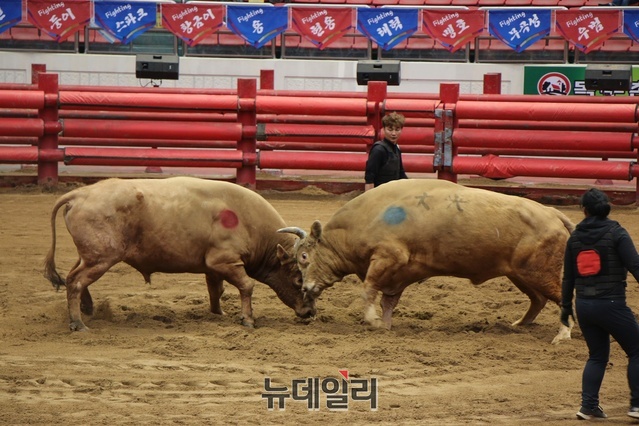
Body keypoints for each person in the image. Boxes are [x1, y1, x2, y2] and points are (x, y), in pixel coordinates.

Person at [560, 188, 639, 421]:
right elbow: (635, 265)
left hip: (584, 306)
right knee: (637, 351)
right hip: (612, 304)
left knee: (597, 356)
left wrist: (566, 307)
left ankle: (588, 406)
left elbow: (568, 277)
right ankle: (636, 405)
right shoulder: (617, 233)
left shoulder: (574, 238)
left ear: (584, 210)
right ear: (606, 207)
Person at [364, 112, 408, 191]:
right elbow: (369, 177)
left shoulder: (397, 149)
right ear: (384, 129)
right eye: (390, 130)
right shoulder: (378, 150)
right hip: (380, 194)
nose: (393, 133)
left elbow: (401, 173)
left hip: (393, 193)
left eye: (397, 130)